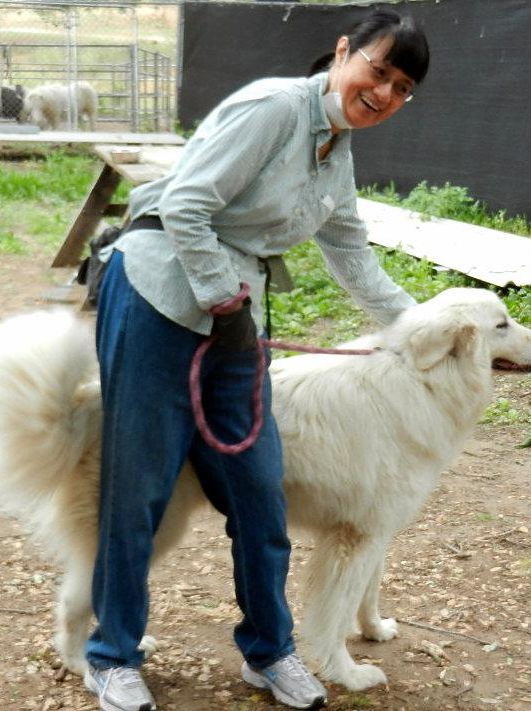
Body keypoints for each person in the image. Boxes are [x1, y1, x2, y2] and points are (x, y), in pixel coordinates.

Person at [83, 8, 429, 711]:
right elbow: (184, 203)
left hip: (231, 317)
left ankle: (268, 650)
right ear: (343, 52)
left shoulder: (336, 149)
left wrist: (423, 330)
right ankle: (111, 654)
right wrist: (224, 301)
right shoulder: (274, 109)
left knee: (259, 488)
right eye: (378, 70)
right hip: (158, 292)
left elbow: (353, 257)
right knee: (140, 489)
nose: (383, 92)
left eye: (401, 88)